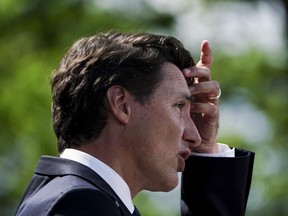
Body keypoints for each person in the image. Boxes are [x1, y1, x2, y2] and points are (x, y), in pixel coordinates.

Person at [15, 31, 254, 216]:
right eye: (179, 106)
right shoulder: (79, 204)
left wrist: (205, 152)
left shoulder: (73, 197)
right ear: (121, 104)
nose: (195, 136)